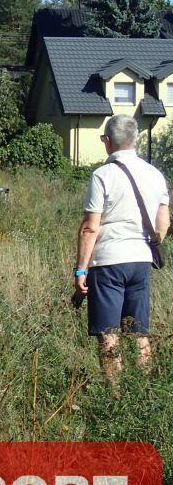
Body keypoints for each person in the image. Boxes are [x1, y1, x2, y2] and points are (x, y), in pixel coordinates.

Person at [74, 114, 169, 381]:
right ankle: (143, 391)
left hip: (108, 262)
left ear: (107, 141)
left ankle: (113, 395)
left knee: (108, 333)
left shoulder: (102, 175)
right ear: (135, 140)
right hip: (141, 260)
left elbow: (90, 228)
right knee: (139, 333)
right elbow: (163, 223)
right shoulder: (154, 174)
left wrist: (81, 271)